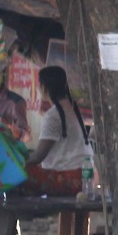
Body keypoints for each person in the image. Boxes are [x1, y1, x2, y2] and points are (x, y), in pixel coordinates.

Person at [24, 66, 89, 197]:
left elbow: (39, 156)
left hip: (66, 178)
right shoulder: (71, 108)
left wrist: (19, 162)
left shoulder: (53, 115)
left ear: (44, 88)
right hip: (84, 175)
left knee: (20, 174)